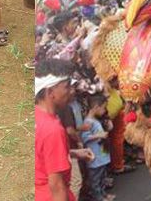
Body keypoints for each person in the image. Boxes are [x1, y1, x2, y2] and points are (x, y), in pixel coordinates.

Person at [35, 59, 94, 201]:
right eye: (67, 87)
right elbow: (56, 184)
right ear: (51, 92)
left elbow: (42, 156)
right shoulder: (53, 129)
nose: (71, 91)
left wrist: (73, 153)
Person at [81, 94, 114, 201]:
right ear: (96, 107)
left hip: (101, 154)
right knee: (95, 179)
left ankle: (103, 194)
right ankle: (98, 197)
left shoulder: (95, 120)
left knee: (101, 177)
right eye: (103, 107)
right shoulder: (87, 122)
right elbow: (85, 138)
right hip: (94, 156)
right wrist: (99, 135)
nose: (105, 110)